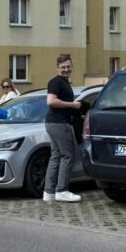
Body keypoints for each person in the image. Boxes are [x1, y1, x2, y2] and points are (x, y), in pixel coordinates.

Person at [43, 54, 88, 202]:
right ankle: (62, 190)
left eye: (68, 66)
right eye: (63, 67)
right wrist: (73, 105)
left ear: (72, 66)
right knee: (67, 156)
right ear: (57, 68)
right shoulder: (56, 82)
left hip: (53, 123)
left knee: (56, 156)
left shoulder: (63, 82)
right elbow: (51, 101)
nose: (66, 69)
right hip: (60, 123)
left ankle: (49, 193)